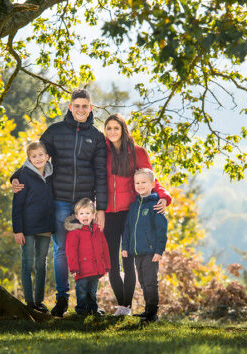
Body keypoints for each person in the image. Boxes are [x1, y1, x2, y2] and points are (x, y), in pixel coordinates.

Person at [11, 88, 107, 317]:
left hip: (85, 205)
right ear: (70, 107)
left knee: (88, 252)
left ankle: (86, 301)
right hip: (60, 201)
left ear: (90, 108)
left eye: (85, 106)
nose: (81, 109)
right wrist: (15, 176)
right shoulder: (54, 131)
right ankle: (62, 299)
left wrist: (100, 208)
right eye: (77, 106)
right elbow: (35, 158)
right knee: (61, 251)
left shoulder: (96, 137)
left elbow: (101, 173)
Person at [103, 114, 171, 316]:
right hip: (109, 213)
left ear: (123, 130)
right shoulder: (102, 153)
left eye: (117, 128)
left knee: (129, 262)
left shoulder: (137, 152)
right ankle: (122, 305)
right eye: (109, 128)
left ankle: (127, 307)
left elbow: (151, 180)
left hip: (132, 212)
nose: (113, 132)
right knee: (112, 265)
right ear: (105, 131)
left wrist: (165, 197)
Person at [11, 141, 54, 313]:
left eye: (40, 155)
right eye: (33, 156)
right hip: (27, 228)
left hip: (45, 226)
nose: (38, 158)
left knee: (41, 264)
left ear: (47, 157)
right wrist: (17, 230)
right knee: (27, 264)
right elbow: (17, 205)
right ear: (28, 158)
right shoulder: (22, 176)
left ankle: (39, 300)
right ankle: (29, 302)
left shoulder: (51, 173)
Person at [122, 168, 168, 323]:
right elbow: (128, 228)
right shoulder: (134, 206)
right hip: (137, 251)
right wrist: (125, 247)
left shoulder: (156, 205)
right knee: (142, 281)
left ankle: (152, 314)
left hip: (150, 251)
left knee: (150, 282)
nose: (140, 185)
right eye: (137, 182)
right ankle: (147, 310)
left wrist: (159, 250)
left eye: (144, 182)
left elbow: (162, 229)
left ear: (152, 184)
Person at [64, 198, 111, 316]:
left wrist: (106, 265)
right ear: (77, 216)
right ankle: (81, 310)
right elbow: (71, 251)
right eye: (81, 213)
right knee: (82, 291)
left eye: (88, 213)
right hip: (81, 270)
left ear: (93, 215)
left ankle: (93, 309)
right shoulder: (74, 233)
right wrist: (73, 268)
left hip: (95, 269)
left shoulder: (97, 231)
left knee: (92, 291)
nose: (85, 216)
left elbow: (104, 248)